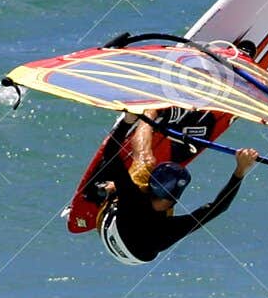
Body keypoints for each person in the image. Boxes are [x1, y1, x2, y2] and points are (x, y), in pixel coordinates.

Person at [87, 110, 258, 264]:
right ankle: (113, 186)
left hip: (110, 228)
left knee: (145, 161)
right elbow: (218, 207)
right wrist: (240, 170)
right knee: (130, 182)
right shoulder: (169, 226)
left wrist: (127, 121)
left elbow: (110, 154)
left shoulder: (136, 200)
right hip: (130, 245)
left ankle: (149, 115)